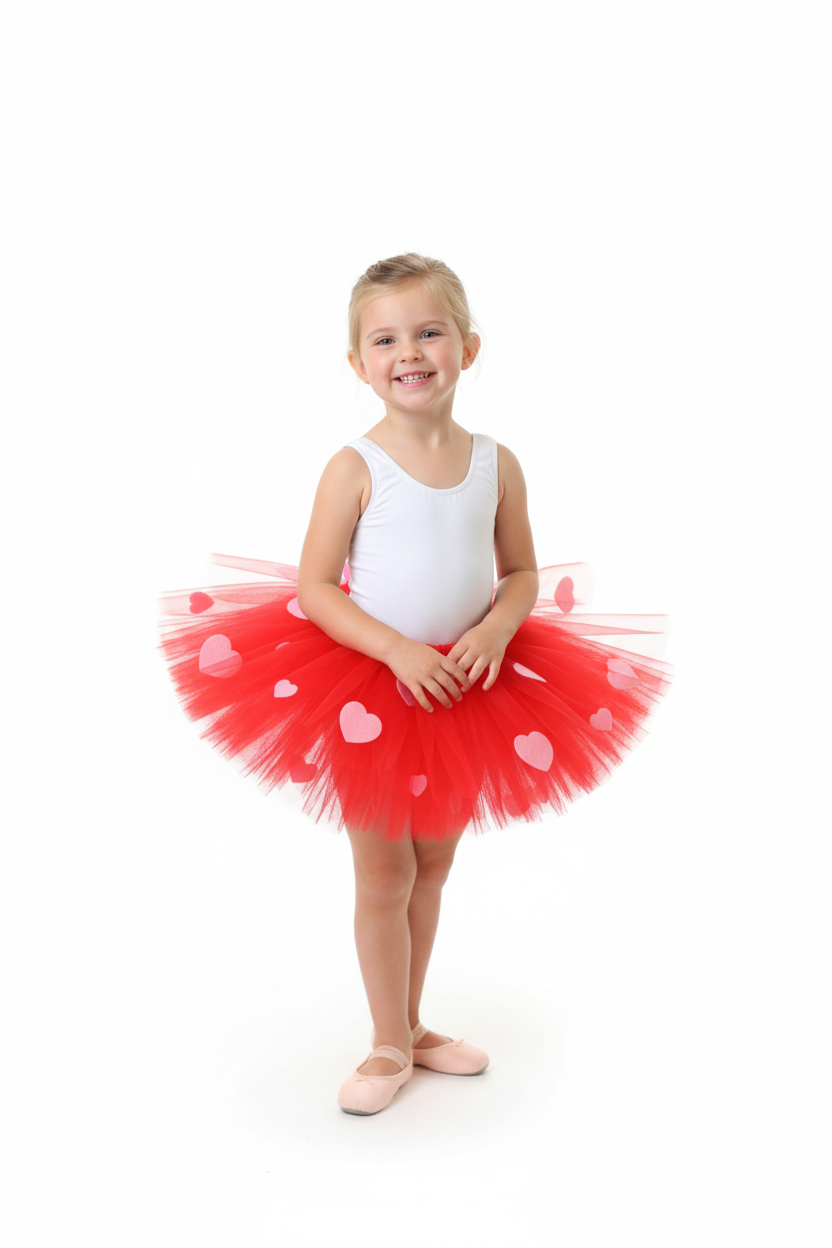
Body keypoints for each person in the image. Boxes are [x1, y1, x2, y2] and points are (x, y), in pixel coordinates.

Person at [157, 252, 673, 1117]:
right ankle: (386, 1042)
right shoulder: (354, 465)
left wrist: (497, 628)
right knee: (384, 874)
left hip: (466, 689)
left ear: (468, 348)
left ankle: (414, 1024)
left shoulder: (497, 463)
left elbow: (521, 572)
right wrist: (396, 650)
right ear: (357, 363)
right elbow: (315, 586)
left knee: (432, 867)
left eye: (429, 332)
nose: (409, 352)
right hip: (372, 688)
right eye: (386, 339)